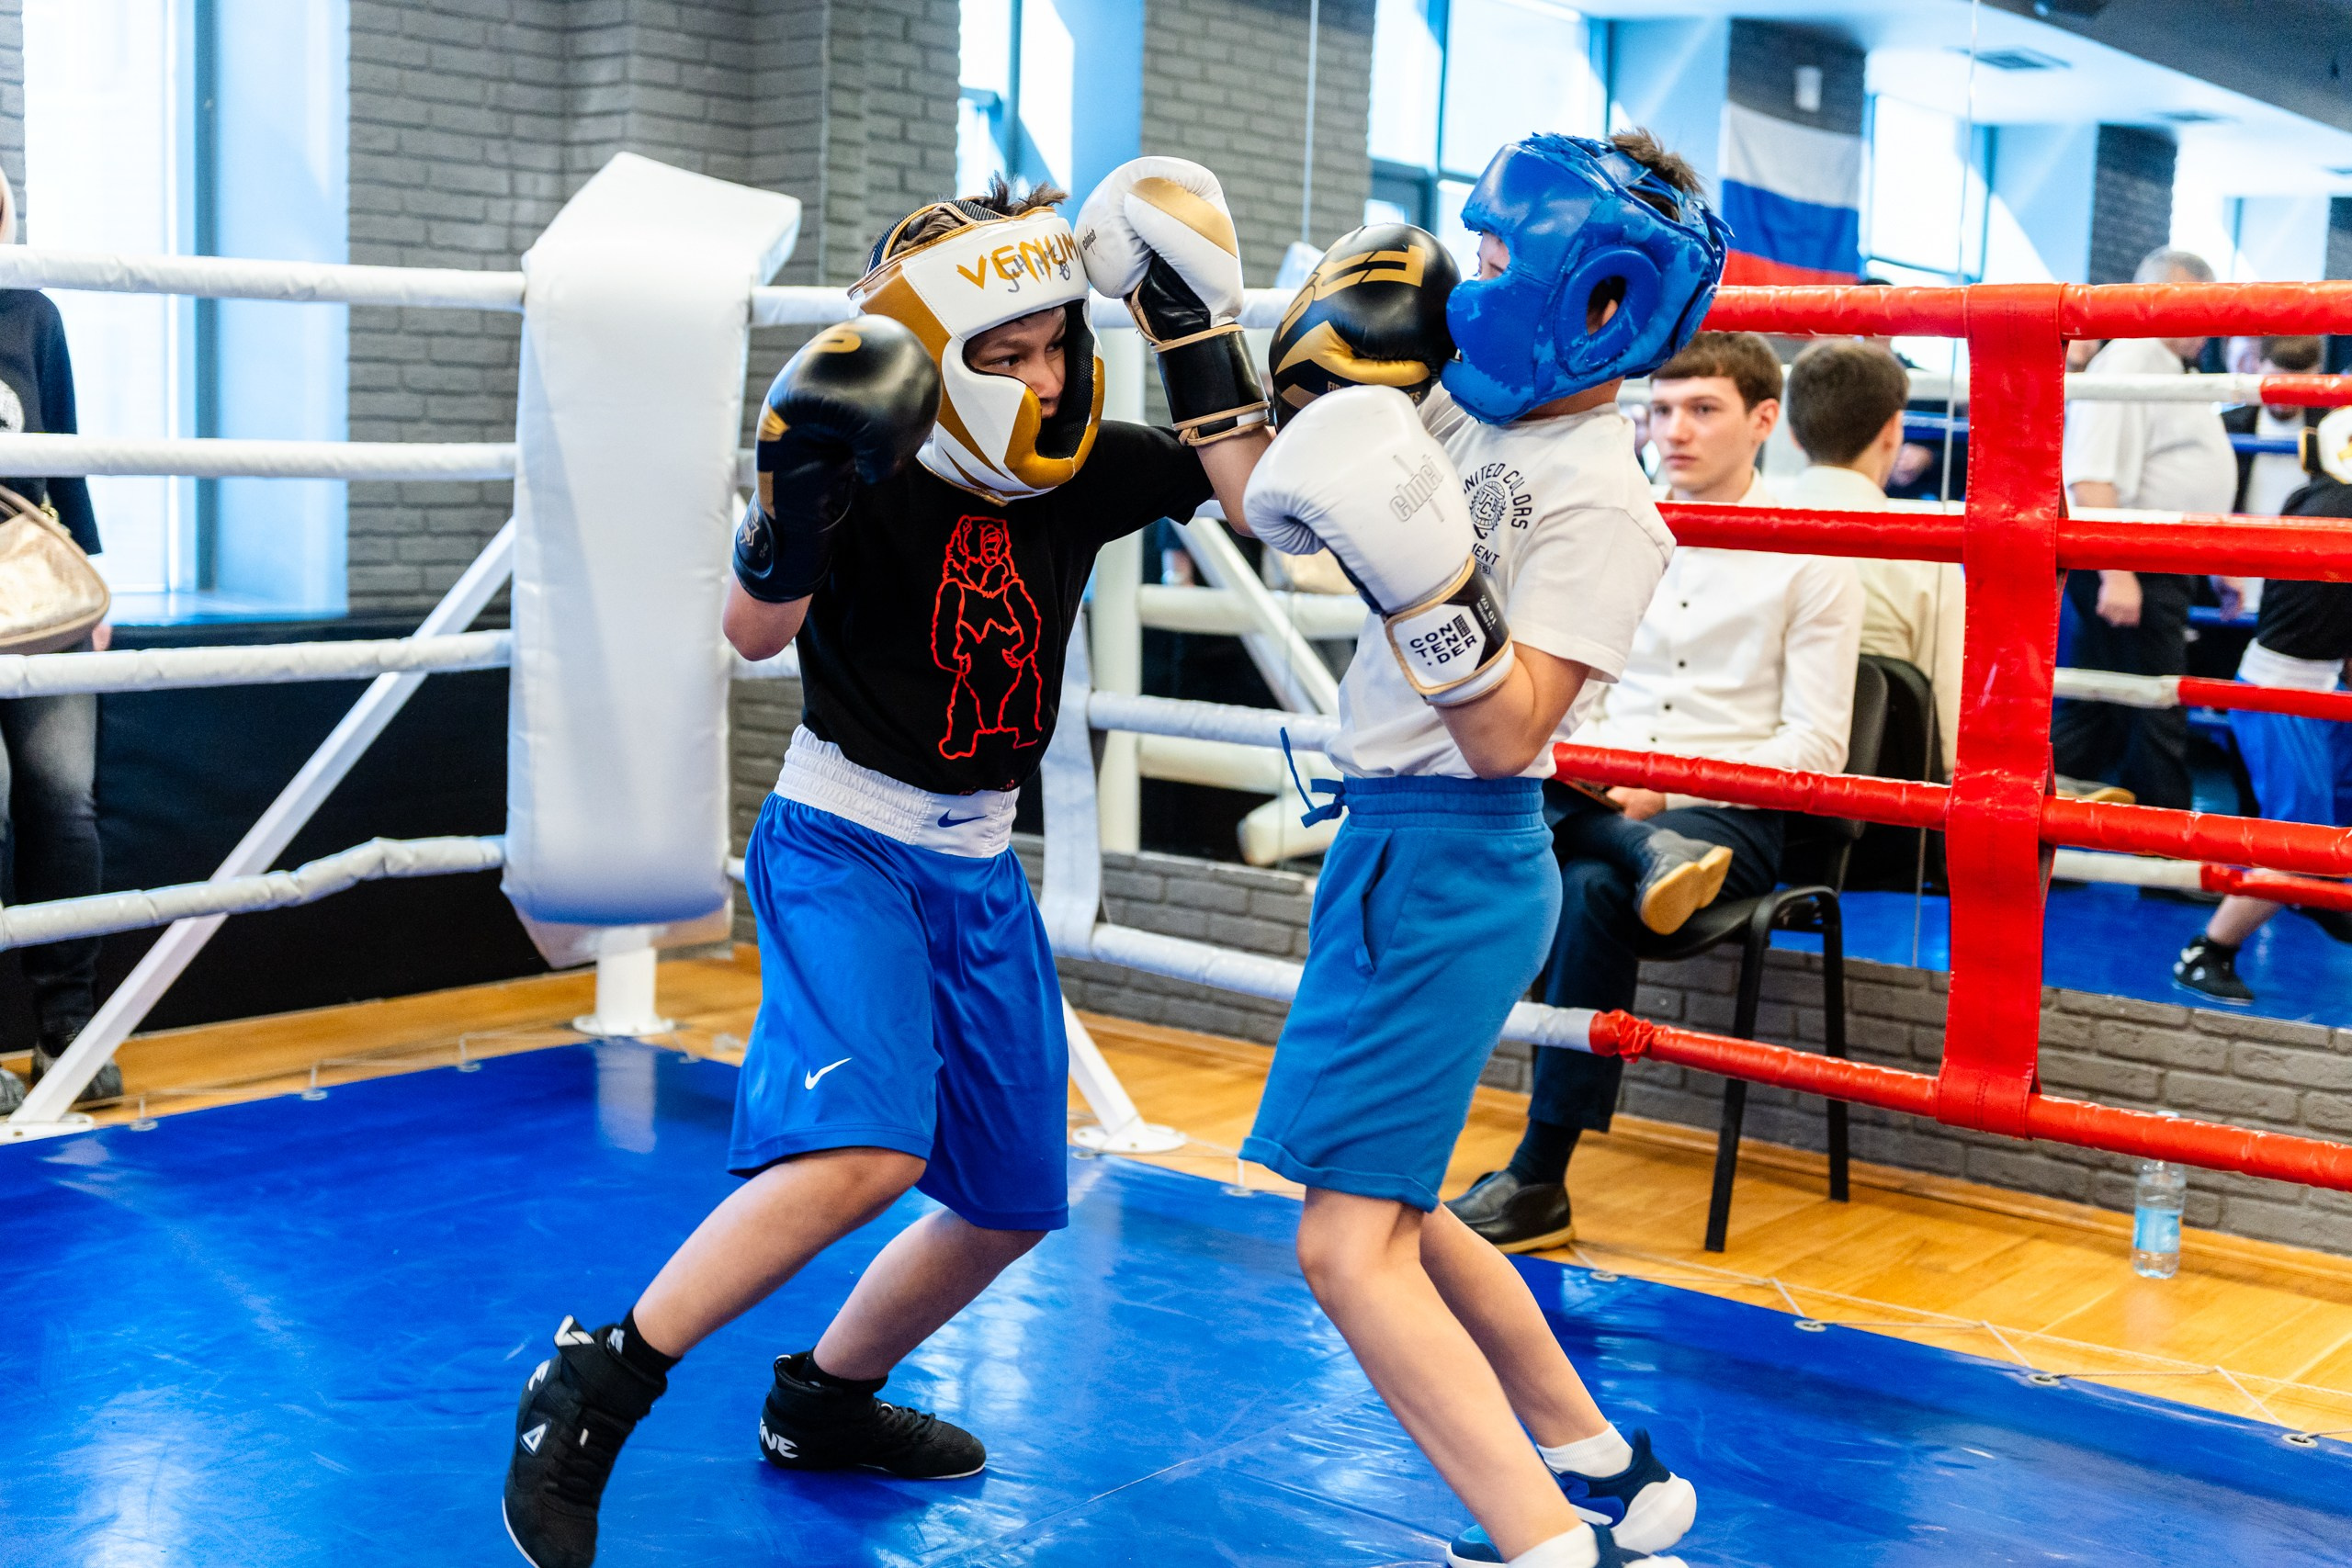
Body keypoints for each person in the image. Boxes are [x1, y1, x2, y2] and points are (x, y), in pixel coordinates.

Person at [498, 164, 1272, 1568]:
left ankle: (827, 1400)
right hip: (844, 837)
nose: (1041, 379)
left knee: (1012, 1196)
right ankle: (594, 1380)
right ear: (935, 358)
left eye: (1057, 345)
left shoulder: (1086, 459)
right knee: (864, 1148)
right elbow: (748, 629)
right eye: (1005, 354)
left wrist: (1193, 328)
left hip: (977, 864)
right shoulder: (871, 456)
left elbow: (1261, 503)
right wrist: (788, 500)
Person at [1240, 131, 1724, 1568]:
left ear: (1599, 291)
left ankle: (1535, 1539)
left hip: (1457, 856)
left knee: (1342, 1246)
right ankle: (1606, 1471)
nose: (1478, 276)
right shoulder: (1457, 410)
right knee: (1399, 1208)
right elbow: (1282, 513)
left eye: (1511, 254)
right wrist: (1203, 340)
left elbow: (1509, 733)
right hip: (1395, 852)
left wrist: (1427, 577)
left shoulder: (1602, 503)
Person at [1449, 329, 1863, 1257]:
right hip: (1604, 796)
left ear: (1765, 420)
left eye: (1703, 409)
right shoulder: (1619, 519)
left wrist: (1668, 791)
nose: (1675, 431)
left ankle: (1535, 1174)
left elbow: (1817, 744)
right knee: (1579, 861)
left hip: (1732, 813)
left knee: (1550, 850)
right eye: (1661, 409)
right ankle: (1538, 1180)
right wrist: (1608, 780)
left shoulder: (1812, 552)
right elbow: (1565, 686)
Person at [0, 165, 112, 1115]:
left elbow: (64, 447)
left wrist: (95, 581)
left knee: (63, 805)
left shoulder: (31, 313)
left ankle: (66, 1032)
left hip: (38, 597)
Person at [2175, 408, 2352, 1004]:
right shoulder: (2337, 510)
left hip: (2314, 688)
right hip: (2284, 694)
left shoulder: (2315, 496)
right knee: (2297, 842)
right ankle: (2208, 951)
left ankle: (2322, 890)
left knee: (2331, 821)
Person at [2052, 246, 2237, 812]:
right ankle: (2168, 847)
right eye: (2201, 309)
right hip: (2132, 567)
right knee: (2154, 704)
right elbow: (2091, 478)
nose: (2212, 325)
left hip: (2150, 567)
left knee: (2102, 705)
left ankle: (2056, 825)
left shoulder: (2165, 364)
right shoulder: (2130, 361)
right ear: (2165, 301)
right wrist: (2119, 574)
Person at [1783, 338, 1965, 777]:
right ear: (1893, 431)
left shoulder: (1735, 532)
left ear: (1791, 434)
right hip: (1885, 813)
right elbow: (1947, 737)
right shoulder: (1925, 558)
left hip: (1743, 787)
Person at [2223, 334, 2324, 520]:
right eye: (2277, 381)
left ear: (2316, 376)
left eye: (2298, 384)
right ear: (2258, 367)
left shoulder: (2332, 432)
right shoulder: (2228, 426)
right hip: (2242, 539)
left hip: (2306, 541)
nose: (2285, 394)